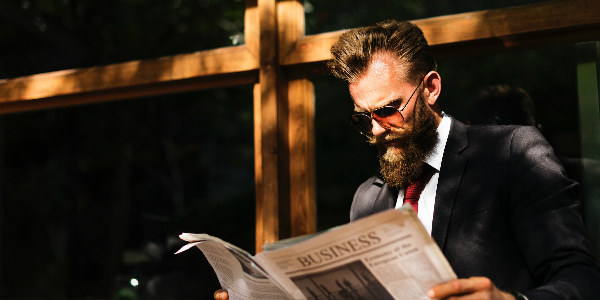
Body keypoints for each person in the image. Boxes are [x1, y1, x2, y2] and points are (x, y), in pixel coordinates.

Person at [215, 19, 600, 300]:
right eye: (363, 117)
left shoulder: (511, 152)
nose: (377, 130)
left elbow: (582, 280)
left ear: (431, 87)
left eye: (387, 109)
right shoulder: (368, 198)